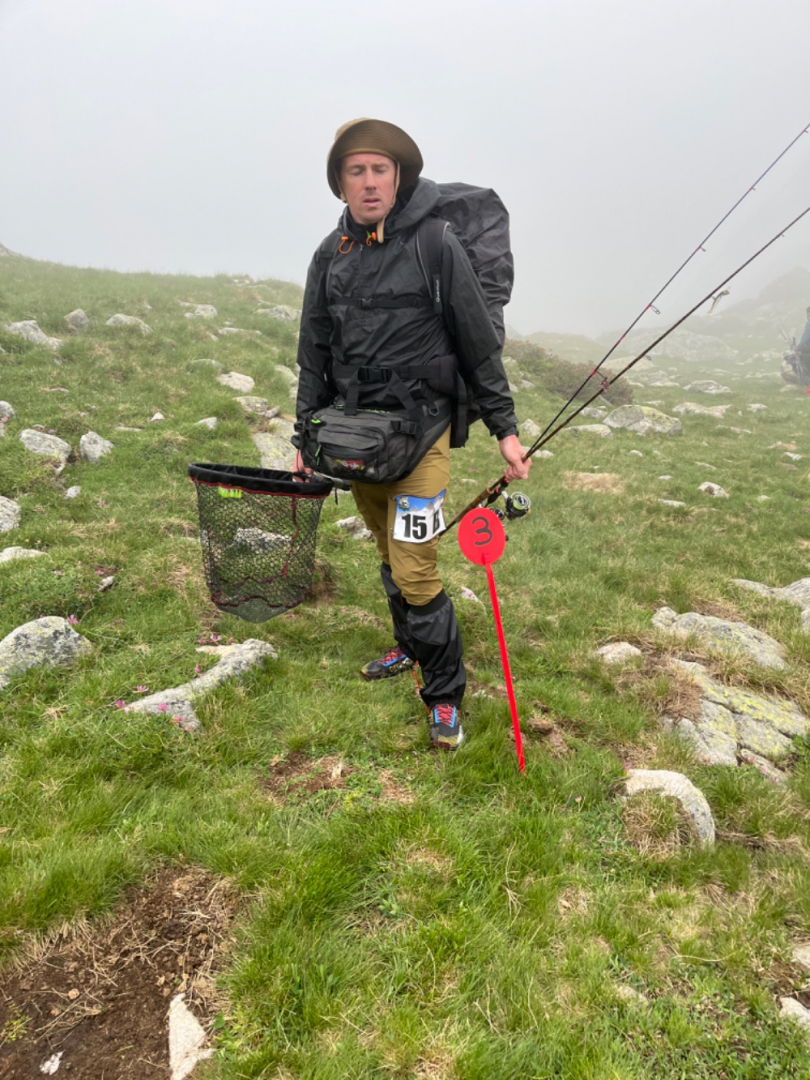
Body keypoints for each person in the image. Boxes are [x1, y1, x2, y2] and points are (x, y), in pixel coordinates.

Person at [292, 118, 529, 750]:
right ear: (340, 182)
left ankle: (444, 697)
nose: (369, 182)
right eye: (356, 171)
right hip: (354, 441)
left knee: (415, 567)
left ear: (398, 177)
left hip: (422, 437)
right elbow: (313, 352)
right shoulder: (329, 255)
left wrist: (505, 430)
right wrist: (302, 435)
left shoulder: (435, 243)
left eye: (380, 169)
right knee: (386, 551)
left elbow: (477, 342)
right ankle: (411, 648)